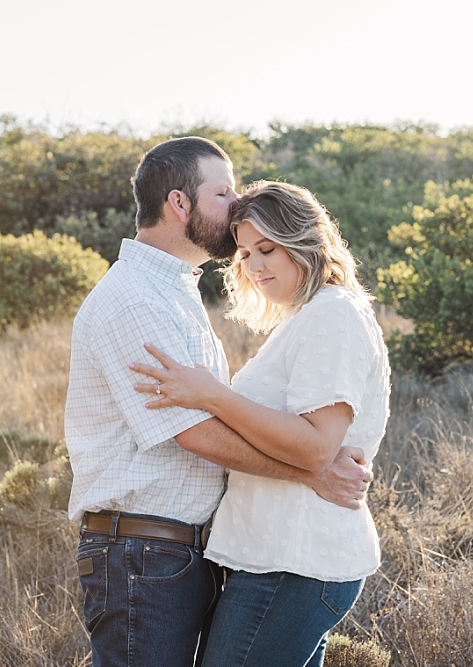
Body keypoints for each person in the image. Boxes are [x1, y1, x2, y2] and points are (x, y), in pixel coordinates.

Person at [65, 138, 373, 667]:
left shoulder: (173, 290)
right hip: (144, 553)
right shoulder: (135, 298)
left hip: (177, 554)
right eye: (222, 192)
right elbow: (196, 432)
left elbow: (213, 414)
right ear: (179, 204)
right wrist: (308, 471)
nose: (235, 204)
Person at [130, 180, 391, 667]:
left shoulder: (333, 316)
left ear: (306, 240)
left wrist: (213, 394)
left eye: (267, 249)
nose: (253, 266)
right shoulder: (307, 317)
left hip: (295, 561)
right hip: (273, 556)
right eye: (245, 254)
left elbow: (316, 448)